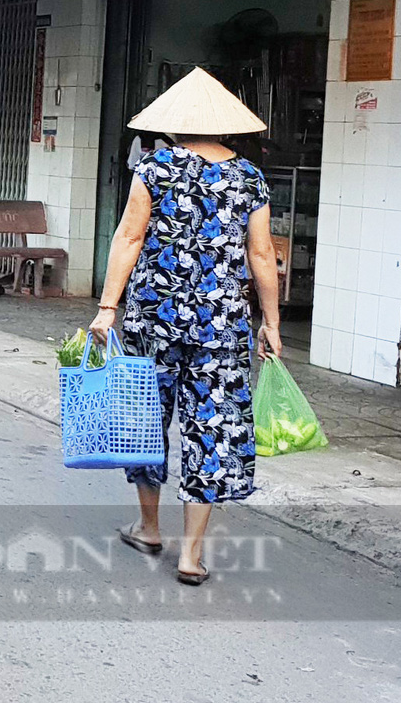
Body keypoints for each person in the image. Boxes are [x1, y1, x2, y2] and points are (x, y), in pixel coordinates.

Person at [90, 67, 282, 587]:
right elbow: (262, 254)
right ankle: (191, 554)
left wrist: (108, 307)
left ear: (173, 124)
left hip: (153, 320)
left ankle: (150, 527)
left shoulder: (154, 168)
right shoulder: (249, 178)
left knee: (146, 423)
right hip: (222, 330)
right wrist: (272, 322)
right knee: (213, 434)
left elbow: (129, 238)